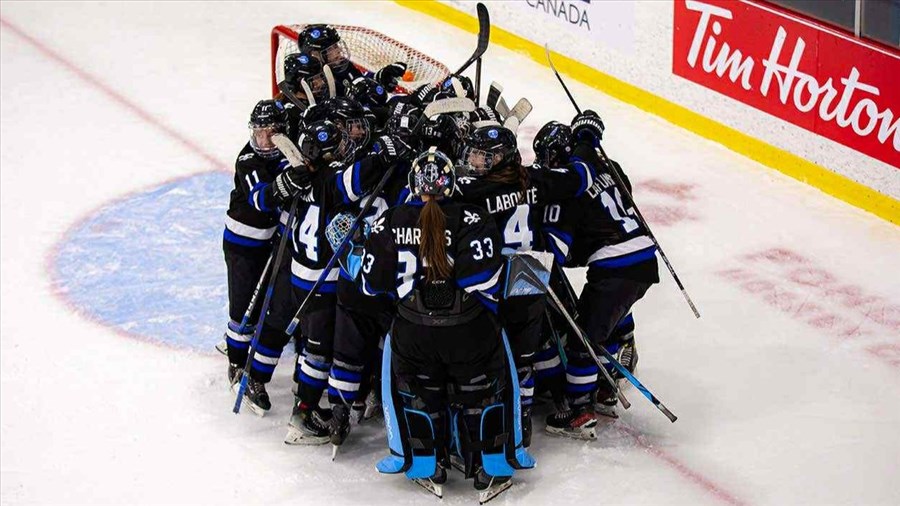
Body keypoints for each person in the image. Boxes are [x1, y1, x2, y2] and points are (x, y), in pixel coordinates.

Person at [363, 147, 528, 496]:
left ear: (413, 183)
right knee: (480, 389)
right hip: (469, 332)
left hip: (412, 333)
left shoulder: (388, 220)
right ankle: (490, 464)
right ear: (451, 184)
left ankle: (427, 461)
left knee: (420, 392)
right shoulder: (472, 218)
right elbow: (485, 281)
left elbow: (372, 284)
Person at [454, 124, 594, 446]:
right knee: (526, 352)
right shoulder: (535, 179)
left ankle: (493, 413)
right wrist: (586, 141)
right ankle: (524, 417)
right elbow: (580, 178)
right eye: (474, 154)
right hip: (531, 270)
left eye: (483, 157)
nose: (475, 161)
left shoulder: (473, 190)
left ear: (501, 159)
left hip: (493, 273)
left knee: (489, 347)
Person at [533, 111, 659, 439]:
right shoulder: (609, 167)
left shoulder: (567, 191)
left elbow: (556, 253)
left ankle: (578, 411)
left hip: (616, 268)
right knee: (608, 318)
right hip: (644, 256)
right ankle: (605, 384)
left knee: (583, 339)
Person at [222, 99, 302, 414]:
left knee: (261, 306)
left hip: (270, 242)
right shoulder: (247, 161)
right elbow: (262, 200)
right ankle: (236, 362)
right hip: (242, 246)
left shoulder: (284, 150)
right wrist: (289, 181)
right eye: (259, 132)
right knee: (243, 307)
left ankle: (250, 357)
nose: (264, 139)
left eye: (270, 132)